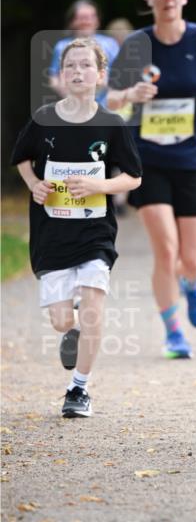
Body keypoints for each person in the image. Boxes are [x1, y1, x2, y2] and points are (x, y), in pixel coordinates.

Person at [106, 0, 196, 359]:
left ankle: (193, 284)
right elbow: (110, 99)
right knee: (165, 251)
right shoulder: (137, 45)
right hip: (150, 159)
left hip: (195, 157)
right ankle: (173, 332)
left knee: (192, 258)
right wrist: (130, 94)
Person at [11, 38, 142, 417]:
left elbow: (133, 177)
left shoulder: (111, 124)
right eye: (70, 66)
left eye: (86, 65)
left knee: (93, 307)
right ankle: (71, 331)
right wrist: (34, 184)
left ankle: (78, 389)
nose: (78, 72)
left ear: (101, 76)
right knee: (62, 320)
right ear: (60, 74)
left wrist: (100, 185)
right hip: (52, 235)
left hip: (95, 232)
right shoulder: (43, 119)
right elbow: (22, 159)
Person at [48, 0, 120, 104]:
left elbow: (121, 73)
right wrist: (72, 97)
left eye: (91, 17)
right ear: (72, 21)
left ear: (97, 20)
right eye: (82, 18)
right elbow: (54, 78)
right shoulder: (62, 46)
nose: (87, 21)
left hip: (106, 107)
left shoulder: (110, 44)